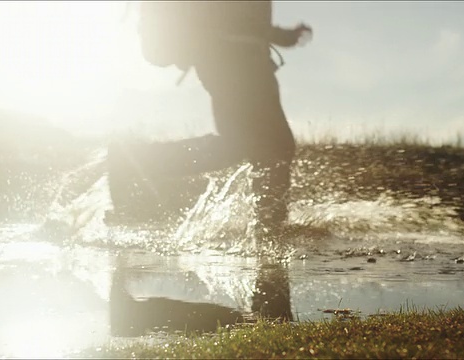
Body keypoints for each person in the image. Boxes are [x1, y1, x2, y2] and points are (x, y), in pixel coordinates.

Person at [108, 1, 312, 236]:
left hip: (239, 59)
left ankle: (136, 162)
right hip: (233, 60)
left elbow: (250, 23)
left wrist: (286, 36)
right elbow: (231, 18)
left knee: (246, 146)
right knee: (272, 146)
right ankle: (269, 231)